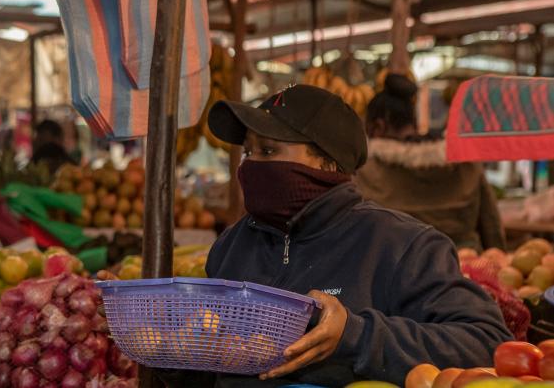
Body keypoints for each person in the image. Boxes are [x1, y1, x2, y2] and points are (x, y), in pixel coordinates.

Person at [157, 84, 511, 387]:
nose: (250, 165)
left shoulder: (402, 245)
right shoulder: (232, 246)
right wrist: (169, 349)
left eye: (268, 150)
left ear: (327, 163)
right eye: (248, 151)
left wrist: (354, 335)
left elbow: (486, 342)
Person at [355, 74, 505, 251]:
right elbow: (492, 227)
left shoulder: (365, 170)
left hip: (395, 269)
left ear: (378, 126)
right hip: (462, 268)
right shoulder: (465, 163)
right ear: (414, 121)